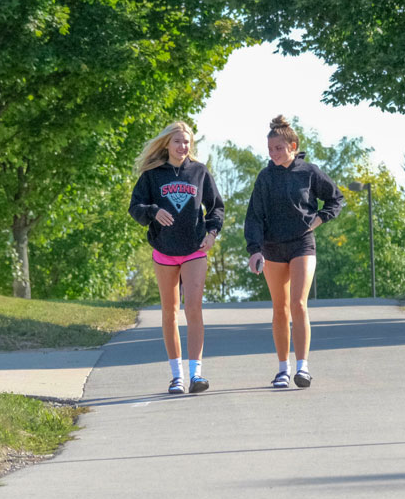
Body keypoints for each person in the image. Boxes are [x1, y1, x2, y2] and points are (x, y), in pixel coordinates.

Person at [244, 115, 344, 389]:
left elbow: (336, 198)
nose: (274, 153)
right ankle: (282, 369)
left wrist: (321, 218)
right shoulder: (264, 177)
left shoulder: (309, 172)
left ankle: (303, 368)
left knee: (299, 304)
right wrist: (254, 250)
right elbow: (254, 216)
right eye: (270, 149)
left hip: (302, 244)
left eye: (278, 148)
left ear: (293, 145)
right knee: (280, 308)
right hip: (272, 248)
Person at [129, 121, 224, 394]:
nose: (183, 146)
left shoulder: (199, 172)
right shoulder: (152, 175)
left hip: (194, 248)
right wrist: (153, 211)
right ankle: (177, 376)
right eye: (178, 141)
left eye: (187, 142)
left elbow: (216, 206)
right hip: (164, 251)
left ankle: (196, 375)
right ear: (167, 144)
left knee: (193, 309)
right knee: (170, 313)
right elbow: (135, 207)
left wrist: (212, 233)